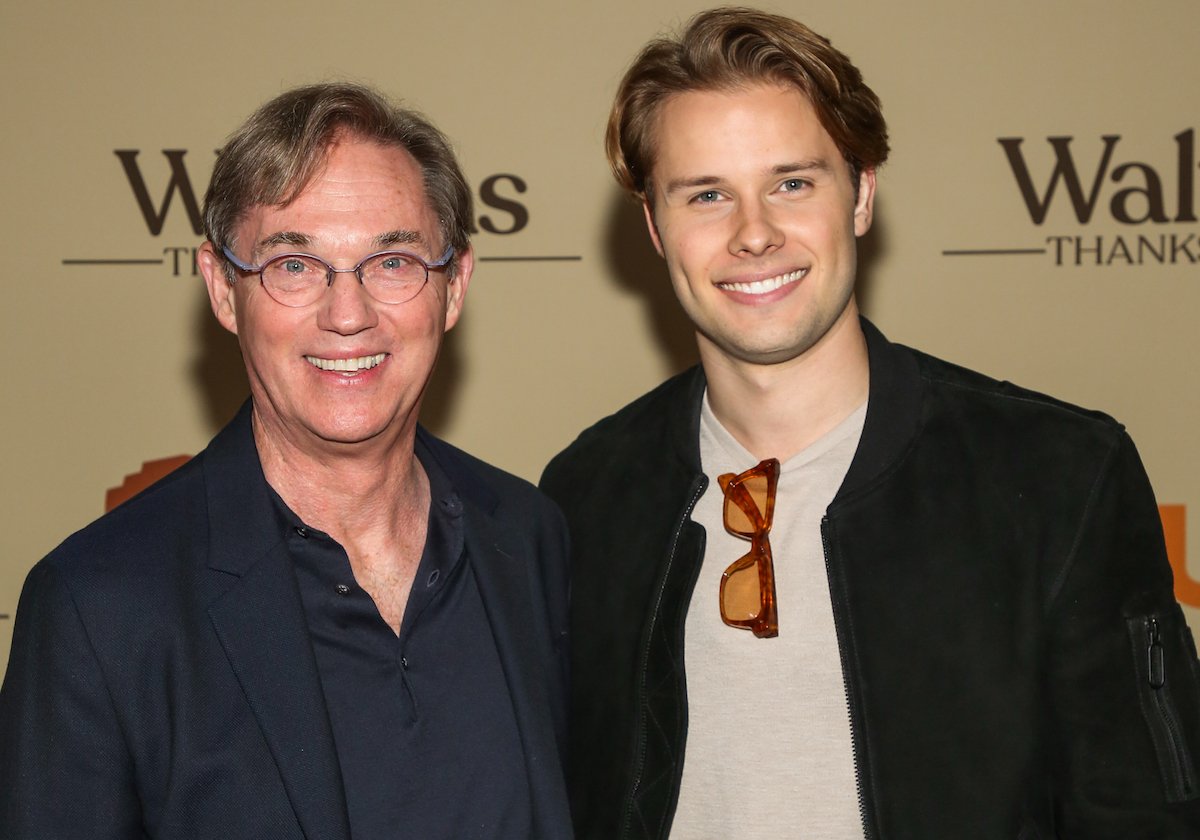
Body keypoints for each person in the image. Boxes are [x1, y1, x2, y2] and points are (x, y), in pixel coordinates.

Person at [539, 8, 1200, 838]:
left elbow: (1145, 815)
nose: (754, 234)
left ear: (861, 195)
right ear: (654, 226)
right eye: (707, 194)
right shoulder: (588, 496)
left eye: (792, 182)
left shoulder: (1060, 478)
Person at [0, 83, 572, 839]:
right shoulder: (100, 608)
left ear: (453, 287)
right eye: (295, 266)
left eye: (392, 261)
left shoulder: (528, 537)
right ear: (223, 289)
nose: (347, 314)